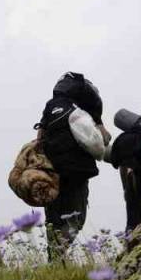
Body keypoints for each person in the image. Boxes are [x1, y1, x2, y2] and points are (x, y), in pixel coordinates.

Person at [36, 72, 110, 261]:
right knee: (76, 218)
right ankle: (58, 258)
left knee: (53, 221)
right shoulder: (78, 113)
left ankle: (54, 259)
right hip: (76, 174)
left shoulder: (50, 109)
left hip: (51, 174)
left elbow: (39, 141)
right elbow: (99, 146)